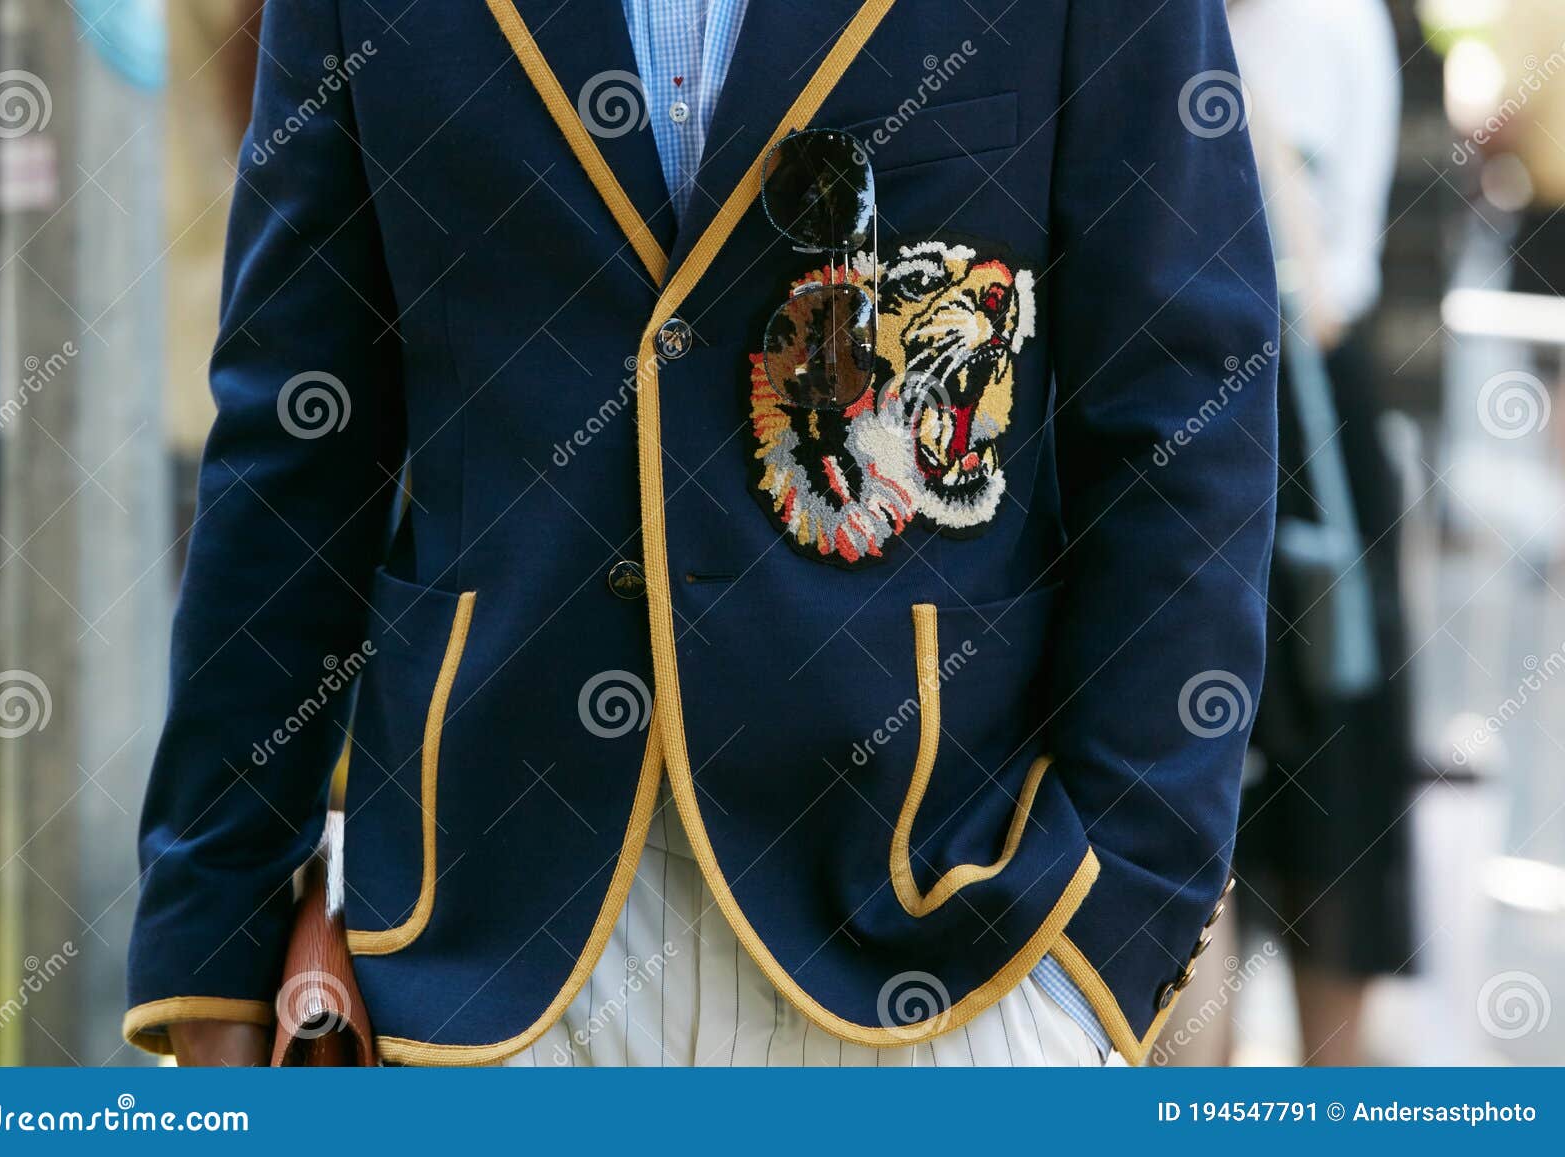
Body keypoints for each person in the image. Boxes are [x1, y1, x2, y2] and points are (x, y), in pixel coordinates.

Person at [123, 0, 1278, 1067]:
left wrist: (1110, 929)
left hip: (943, 946)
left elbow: (1185, 399)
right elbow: (295, 441)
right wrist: (211, 949)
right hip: (483, 955)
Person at [1226, 0, 1414, 1067]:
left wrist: (1242, 113)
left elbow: (1331, 289)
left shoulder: (1331, 26)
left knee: (1331, 788)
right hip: (1185, 422)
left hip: (1309, 432)